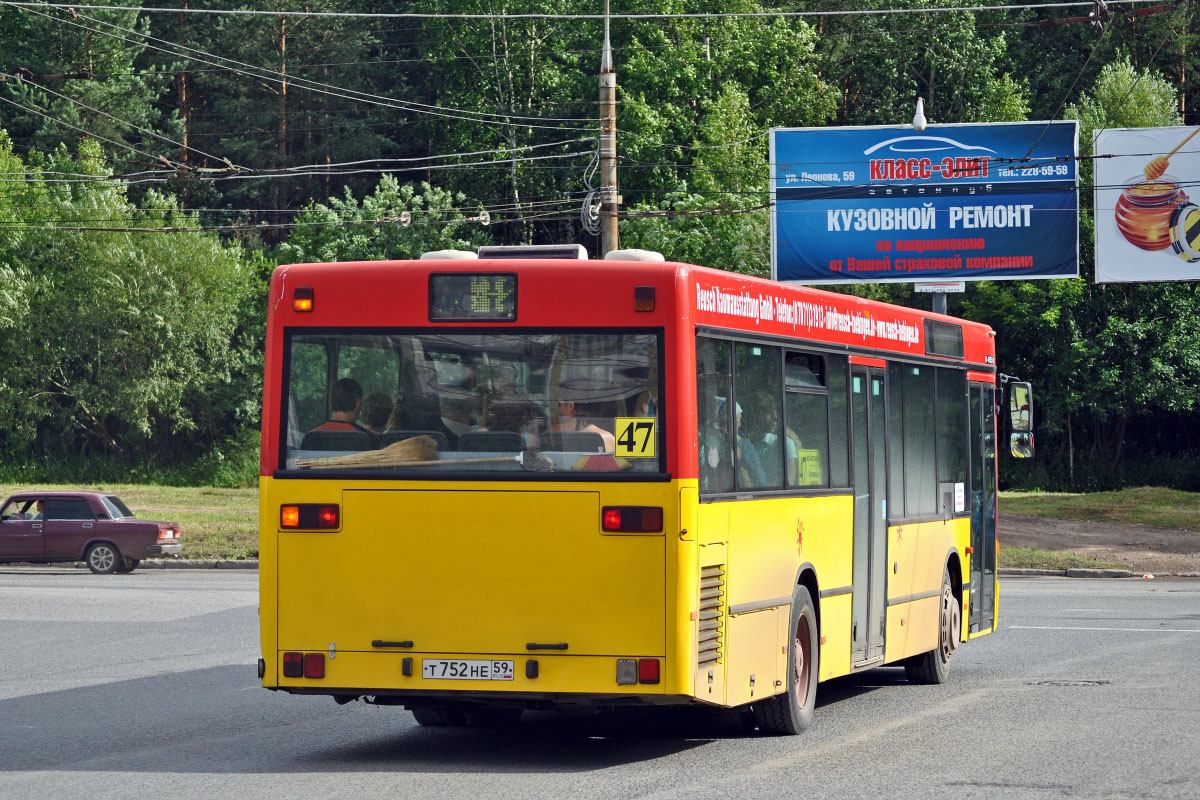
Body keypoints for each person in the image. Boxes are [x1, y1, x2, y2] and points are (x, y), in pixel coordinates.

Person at [552, 378, 615, 452]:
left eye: (559, 404)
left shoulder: (553, 435)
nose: (558, 409)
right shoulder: (609, 439)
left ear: (570, 406)